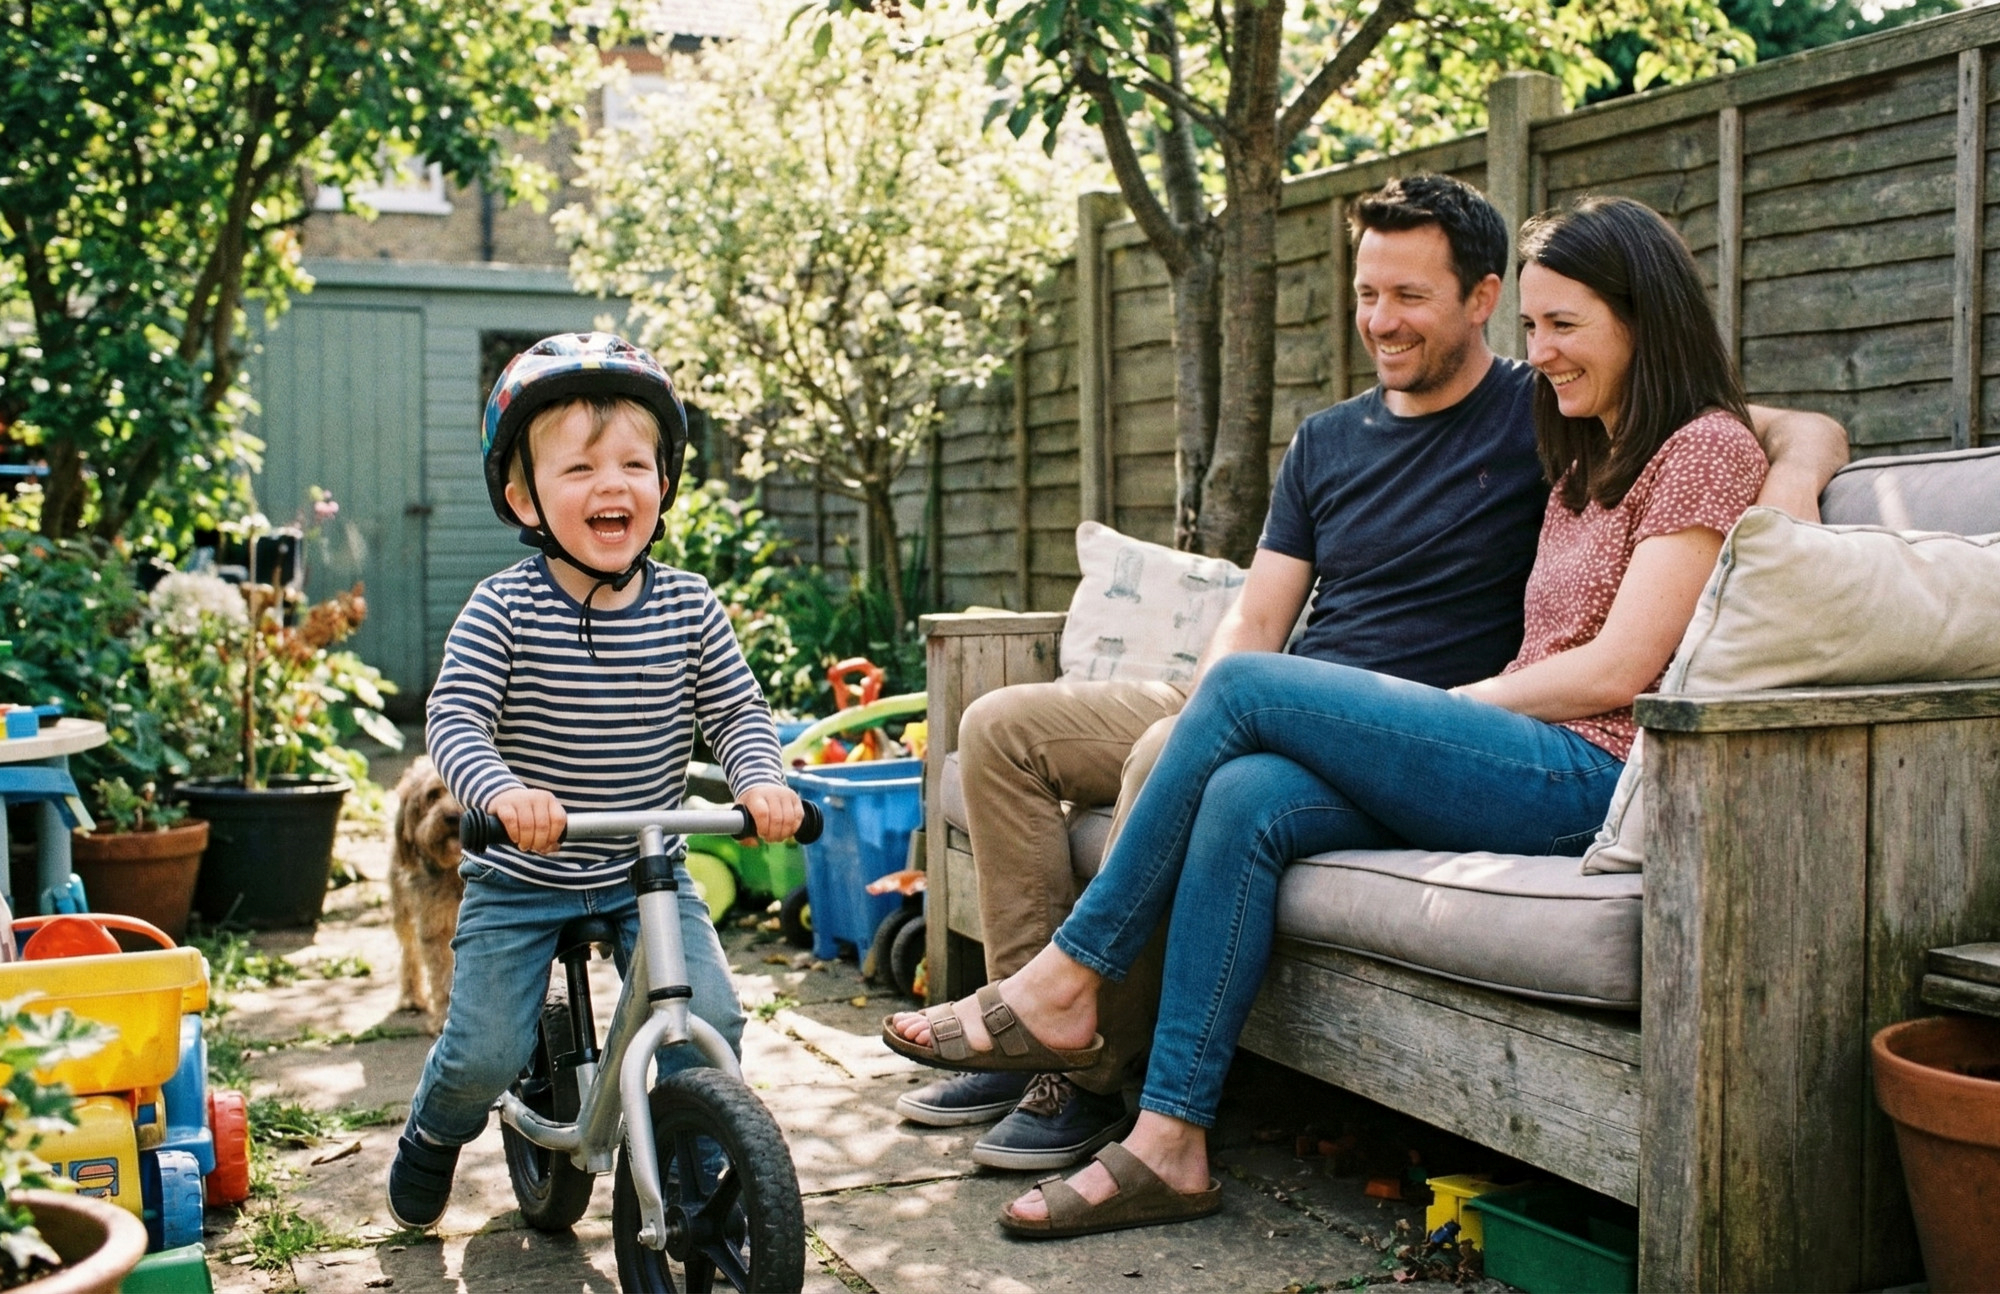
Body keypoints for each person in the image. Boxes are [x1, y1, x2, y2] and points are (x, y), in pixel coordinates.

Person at [902, 174, 1850, 1172]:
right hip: (1374, 717)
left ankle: (1067, 1012)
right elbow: (1259, 614)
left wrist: (1784, 485)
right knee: (1177, 764)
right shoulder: (1565, 439)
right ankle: (1164, 1133)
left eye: (1558, 321)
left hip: (1544, 750)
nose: (1380, 320)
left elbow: (1704, 503)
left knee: (1235, 704)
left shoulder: (1588, 421)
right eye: (1367, 293)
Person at [386, 332, 804, 1231]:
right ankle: (432, 1132)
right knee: (484, 1053)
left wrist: (761, 779)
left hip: (639, 868)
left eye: (633, 464)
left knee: (712, 1025)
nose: (611, 485)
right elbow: (454, 719)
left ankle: (691, 1164)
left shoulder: (690, 606)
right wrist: (499, 793)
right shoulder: (503, 606)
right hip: (522, 871)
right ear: (522, 496)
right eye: (577, 468)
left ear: (664, 484)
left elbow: (737, 712)